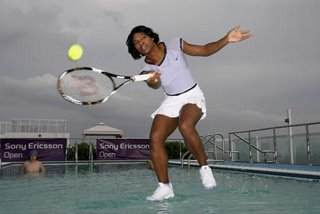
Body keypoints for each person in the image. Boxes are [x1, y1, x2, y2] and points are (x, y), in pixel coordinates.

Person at [126, 25, 251, 201]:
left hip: (191, 94)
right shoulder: (146, 67)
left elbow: (205, 50)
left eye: (142, 38)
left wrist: (227, 39)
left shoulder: (175, 44)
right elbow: (154, 84)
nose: (140, 43)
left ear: (151, 37)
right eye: (136, 43)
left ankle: (205, 169)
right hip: (171, 100)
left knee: (185, 125)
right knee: (155, 139)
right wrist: (152, 80)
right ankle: (164, 187)